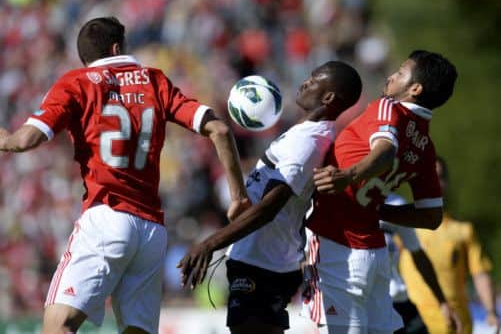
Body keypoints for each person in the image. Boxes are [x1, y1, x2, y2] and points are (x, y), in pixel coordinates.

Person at [0, 16, 250, 334]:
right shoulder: (155, 81)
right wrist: (239, 197)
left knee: (58, 326)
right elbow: (220, 128)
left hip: (105, 216)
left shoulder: (76, 82)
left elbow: (25, 140)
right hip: (151, 230)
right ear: (118, 47)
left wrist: (6, 140)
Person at [178, 61, 363, 334]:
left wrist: (210, 243)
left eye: (313, 81)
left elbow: (270, 208)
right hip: (263, 257)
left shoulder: (308, 142)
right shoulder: (303, 133)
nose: (304, 83)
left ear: (328, 97)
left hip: (263, 263)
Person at [303, 50, 460, 334]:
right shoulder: (425, 145)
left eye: (400, 72)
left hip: (336, 242)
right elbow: (431, 216)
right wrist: (380, 210)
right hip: (374, 252)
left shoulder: (387, 107)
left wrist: (346, 176)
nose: (391, 76)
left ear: (415, 88)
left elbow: (385, 151)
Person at [398, 156, 500, 334]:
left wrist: (491, 311)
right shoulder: (403, 225)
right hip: (414, 320)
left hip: (458, 322)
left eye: (441, 177)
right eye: (431, 177)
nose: (436, 183)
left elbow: (480, 273)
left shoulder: (463, 230)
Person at [381, 194, 451, 334]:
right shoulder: (341, 198)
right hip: (361, 301)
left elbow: (418, 254)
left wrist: (442, 302)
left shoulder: (396, 203)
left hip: (398, 300)